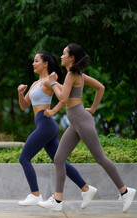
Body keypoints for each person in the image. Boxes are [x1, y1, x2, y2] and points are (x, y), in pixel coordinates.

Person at [38, 43, 136, 213]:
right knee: (59, 159)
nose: (61, 57)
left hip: (81, 121)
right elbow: (100, 88)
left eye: (63, 54)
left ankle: (125, 191)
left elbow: (62, 96)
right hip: (76, 122)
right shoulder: (77, 75)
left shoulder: (71, 74)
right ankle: (58, 200)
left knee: (100, 158)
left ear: (71, 58)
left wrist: (53, 83)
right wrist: (92, 108)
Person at [17, 51, 96, 208]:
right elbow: (24, 106)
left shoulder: (49, 81)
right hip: (44, 125)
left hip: (46, 124)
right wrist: (20, 93)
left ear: (45, 64)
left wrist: (53, 110)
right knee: (59, 161)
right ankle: (86, 188)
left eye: (36, 61)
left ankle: (35, 194)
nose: (33, 63)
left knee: (24, 158)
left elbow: (64, 98)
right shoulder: (34, 84)